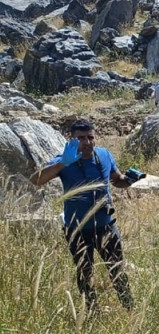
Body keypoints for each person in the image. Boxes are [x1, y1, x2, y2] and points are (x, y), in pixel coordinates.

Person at [29, 119, 135, 313]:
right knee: (85, 274)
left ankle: (130, 309)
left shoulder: (104, 155)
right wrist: (63, 163)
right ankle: (92, 313)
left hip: (106, 226)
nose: (87, 142)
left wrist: (128, 180)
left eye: (90, 137)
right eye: (81, 138)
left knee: (117, 270)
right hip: (77, 229)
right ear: (72, 140)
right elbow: (36, 180)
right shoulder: (64, 160)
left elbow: (117, 180)